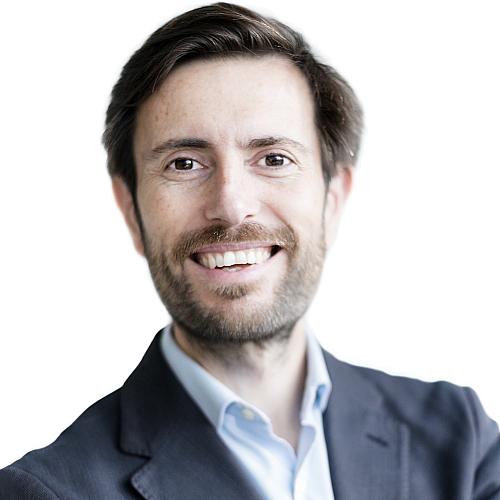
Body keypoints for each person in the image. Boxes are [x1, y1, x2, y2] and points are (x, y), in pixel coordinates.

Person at [1, 2, 499, 499]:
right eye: (184, 163)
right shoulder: (45, 492)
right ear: (131, 211)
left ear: (333, 199)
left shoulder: (462, 442)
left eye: (274, 158)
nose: (232, 206)